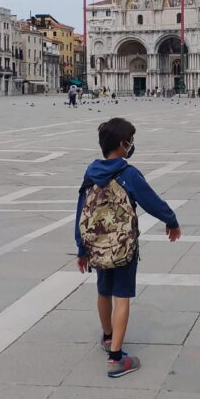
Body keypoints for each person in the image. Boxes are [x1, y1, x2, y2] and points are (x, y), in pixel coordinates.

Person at [75, 117, 181, 378]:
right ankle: (116, 359)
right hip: (122, 248)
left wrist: (82, 248)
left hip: (97, 246)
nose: (132, 145)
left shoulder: (91, 171)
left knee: (103, 291)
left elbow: (80, 210)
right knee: (122, 297)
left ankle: (108, 337)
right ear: (123, 145)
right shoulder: (128, 174)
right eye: (130, 141)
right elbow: (151, 201)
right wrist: (171, 220)